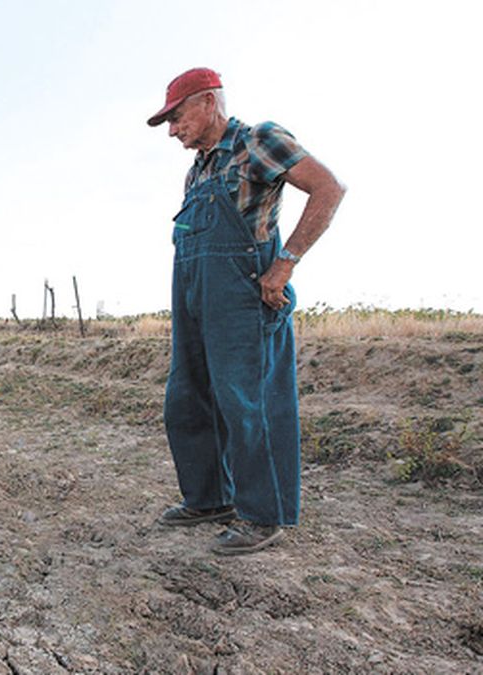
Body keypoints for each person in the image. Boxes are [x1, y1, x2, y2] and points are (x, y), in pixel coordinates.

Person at [147, 68, 345, 555]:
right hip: (194, 291)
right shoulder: (198, 168)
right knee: (187, 394)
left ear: (208, 102)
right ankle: (209, 497)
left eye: (175, 117)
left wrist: (285, 264)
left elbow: (328, 188)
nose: (172, 130)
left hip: (242, 292)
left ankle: (261, 514)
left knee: (248, 399)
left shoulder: (259, 141)